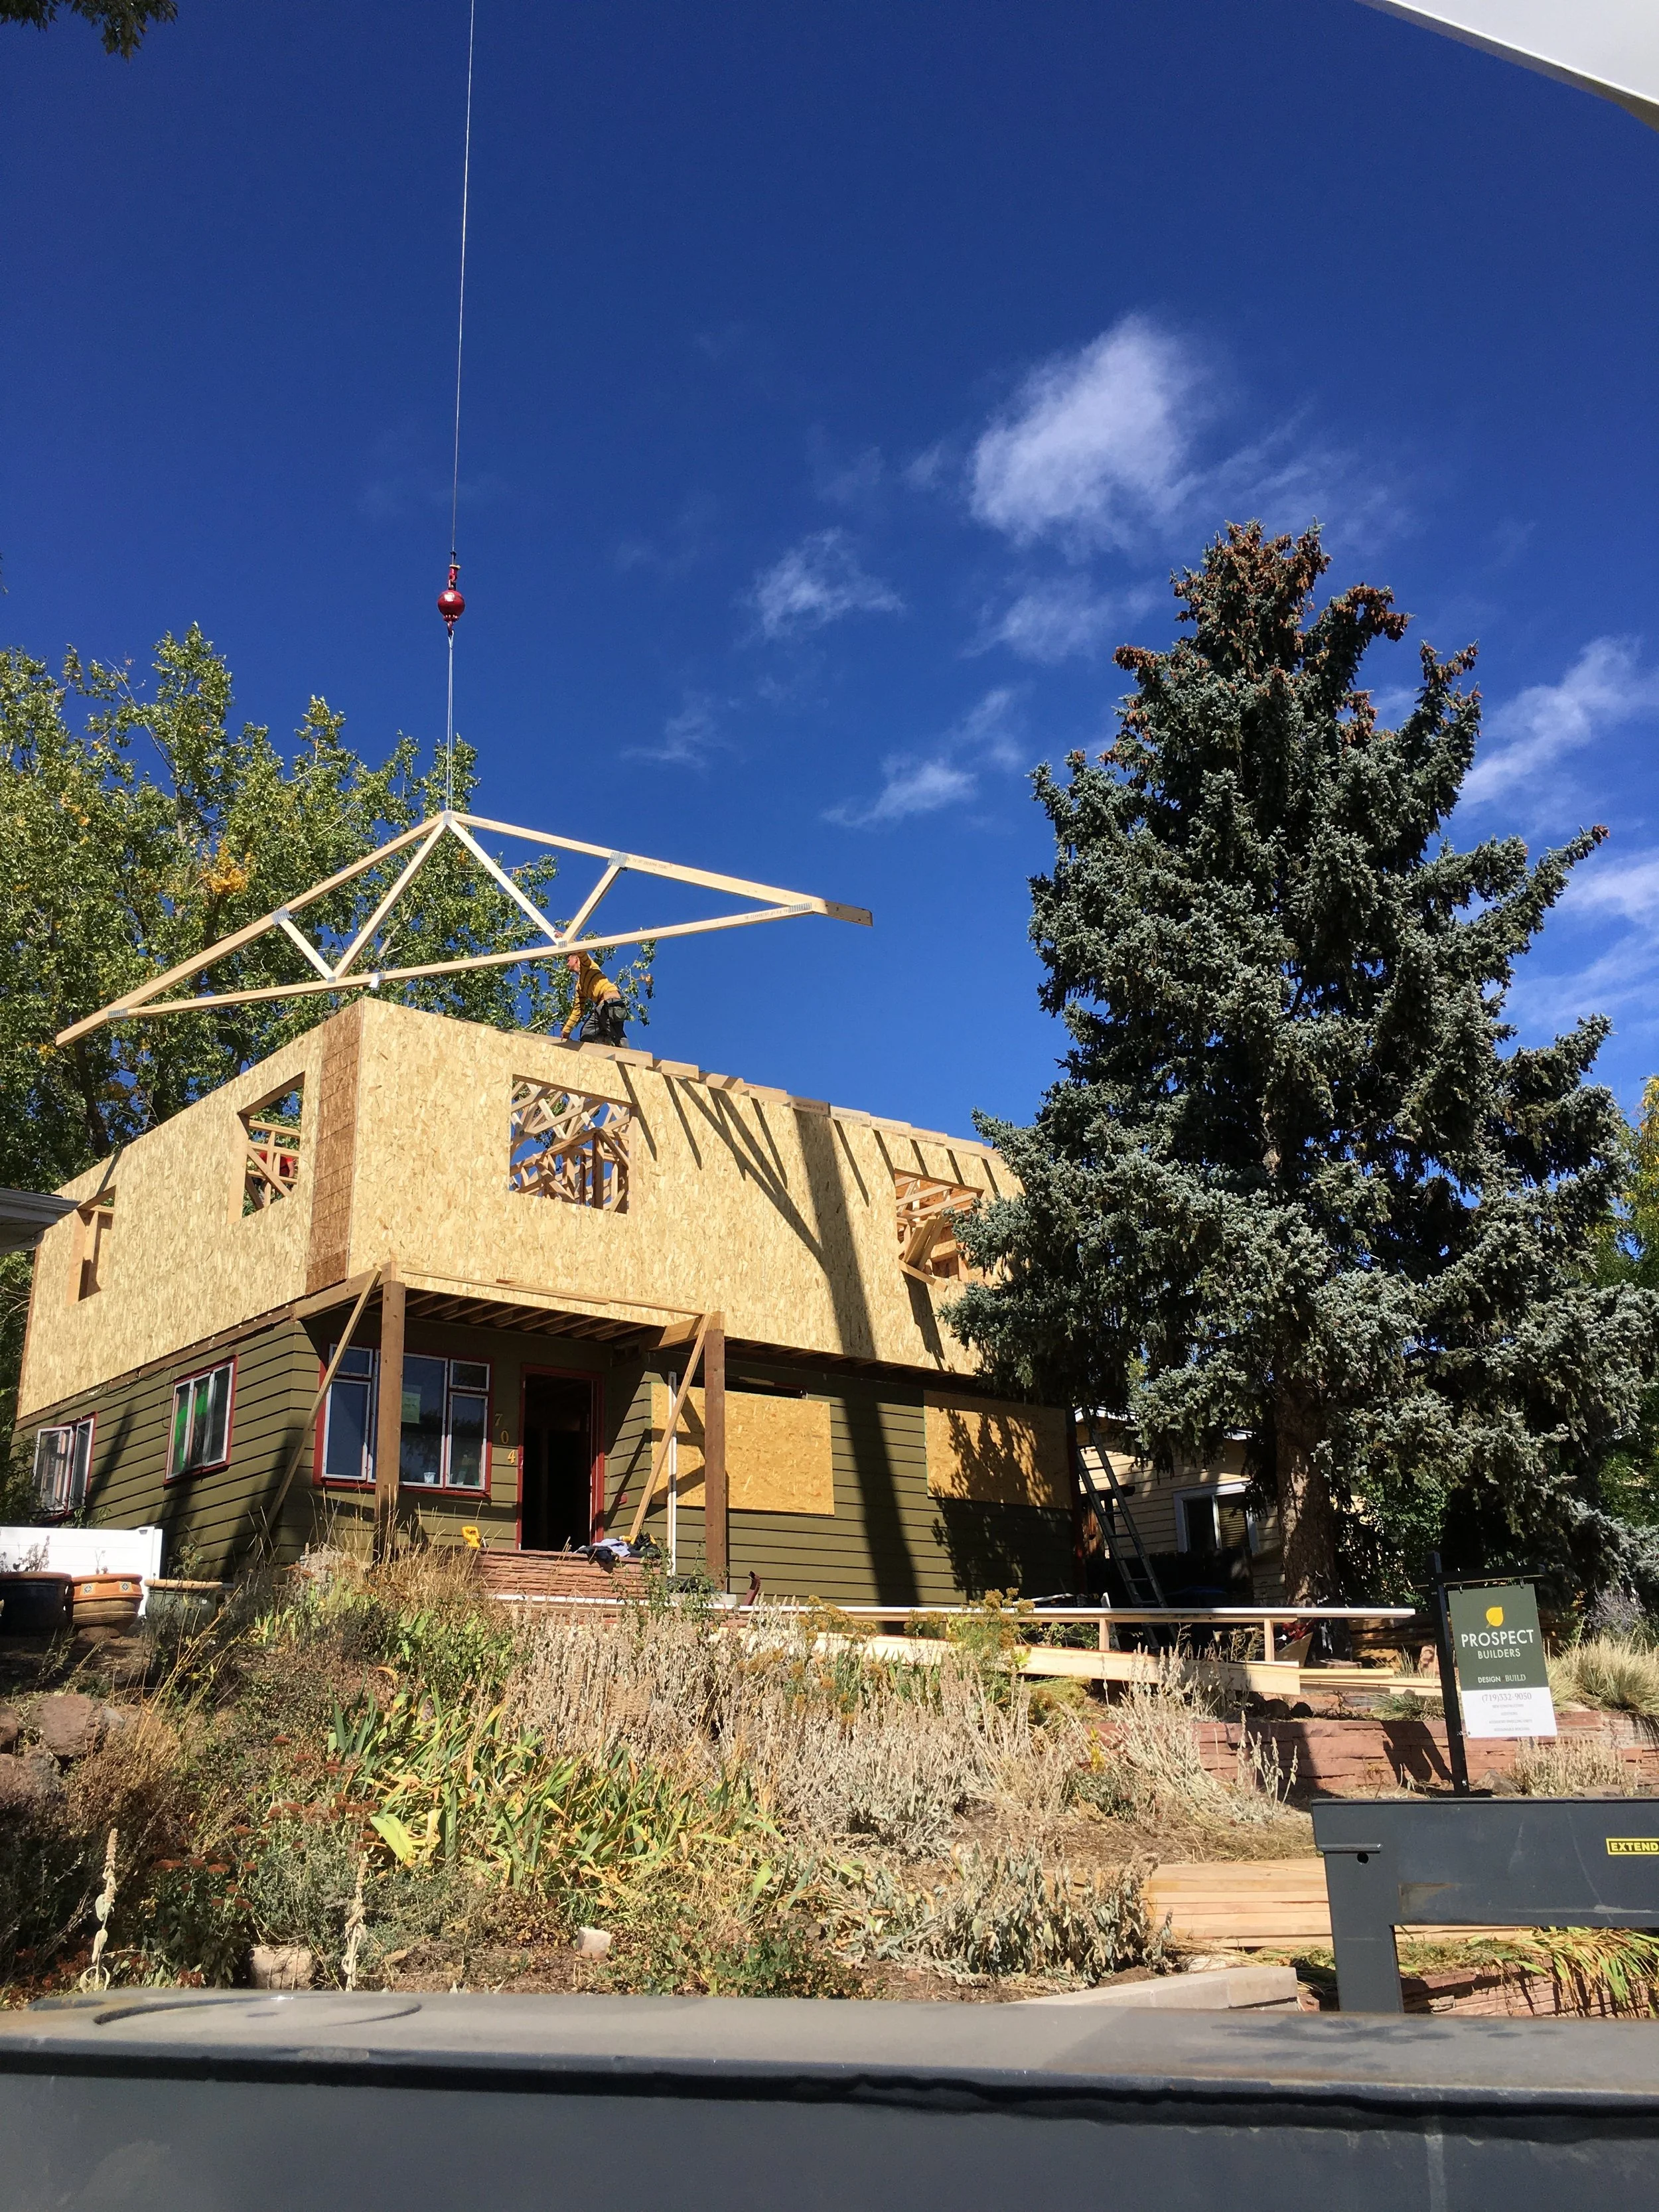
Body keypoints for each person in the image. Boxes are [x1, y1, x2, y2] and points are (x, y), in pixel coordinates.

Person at [561, 951, 626, 1047]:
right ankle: (601, 1053)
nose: (567, 964)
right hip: (600, 1007)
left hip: (610, 1001)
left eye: (568, 960)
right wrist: (566, 1030)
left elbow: (581, 951)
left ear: (576, 959)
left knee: (616, 1034)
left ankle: (628, 1057)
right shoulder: (580, 986)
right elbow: (578, 1010)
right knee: (586, 1034)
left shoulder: (587, 965)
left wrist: (567, 941)